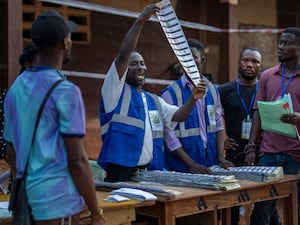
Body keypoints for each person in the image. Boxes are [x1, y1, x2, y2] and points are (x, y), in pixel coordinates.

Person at [3, 10, 104, 225]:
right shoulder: (66, 92)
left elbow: (10, 151)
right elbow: (77, 160)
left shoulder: (15, 89)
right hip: (57, 202)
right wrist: (96, 213)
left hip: (26, 198)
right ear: (65, 43)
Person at [97, 4, 206, 182]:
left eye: (142, 63)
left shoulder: (153, 100)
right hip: (121, 173)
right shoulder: (114, 92)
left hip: (149, 172)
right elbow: (123, 55)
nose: (140, 66)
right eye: (134, 63)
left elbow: (178, 115)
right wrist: (141, 21)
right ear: (125, 69)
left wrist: (193, 99)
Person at [244, 27, 300, 225]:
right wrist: (251, 146)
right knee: (261, 210)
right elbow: (258, 111)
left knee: (296, 210)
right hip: (268, 154)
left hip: (296, 155)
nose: (281, 47)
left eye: (288, 43)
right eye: (281, 42)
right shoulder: (268, 75)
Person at [160, 39, 233, 174]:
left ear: (203, 60)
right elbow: (168, 134)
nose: (188, 61)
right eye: (184, 57)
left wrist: (220, 157)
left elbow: (218, 125)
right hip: (181, 166)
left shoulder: (212, 90)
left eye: (193, 57)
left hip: (210, 162)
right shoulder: (170, 93)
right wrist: (190, 163)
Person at [219, 47, 264, 225]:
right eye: (246, 60)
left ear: (261, 66)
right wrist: (222, 138)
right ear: (239, 62)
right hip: (233, 153)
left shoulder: (266, 88)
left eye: (255, 62)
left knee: (264, 204)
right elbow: (211, 115)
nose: (249, 65)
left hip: (260, 153)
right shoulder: (225, 90)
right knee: (231, 206)